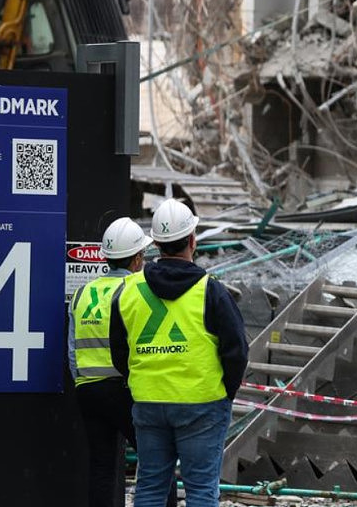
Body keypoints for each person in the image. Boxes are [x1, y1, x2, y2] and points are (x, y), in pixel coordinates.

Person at [111, 198, 249, 507]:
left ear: (155, 244)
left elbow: (119, 351)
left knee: (149, 489)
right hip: (202, 403)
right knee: (201, 491)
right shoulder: (211, 290)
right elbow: (237, 350)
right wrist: (226, 391)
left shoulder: (128, 291)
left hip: (148, 402)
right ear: (192, 240)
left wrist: (140, 382)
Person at [68, 217, 177, 507]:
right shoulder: (134, 291)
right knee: (158, 460)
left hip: (87, 390)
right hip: (123, 389)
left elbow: (71, 350)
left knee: (102, 466)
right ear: (138, 257)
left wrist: (82, 380)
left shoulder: (82, 293)